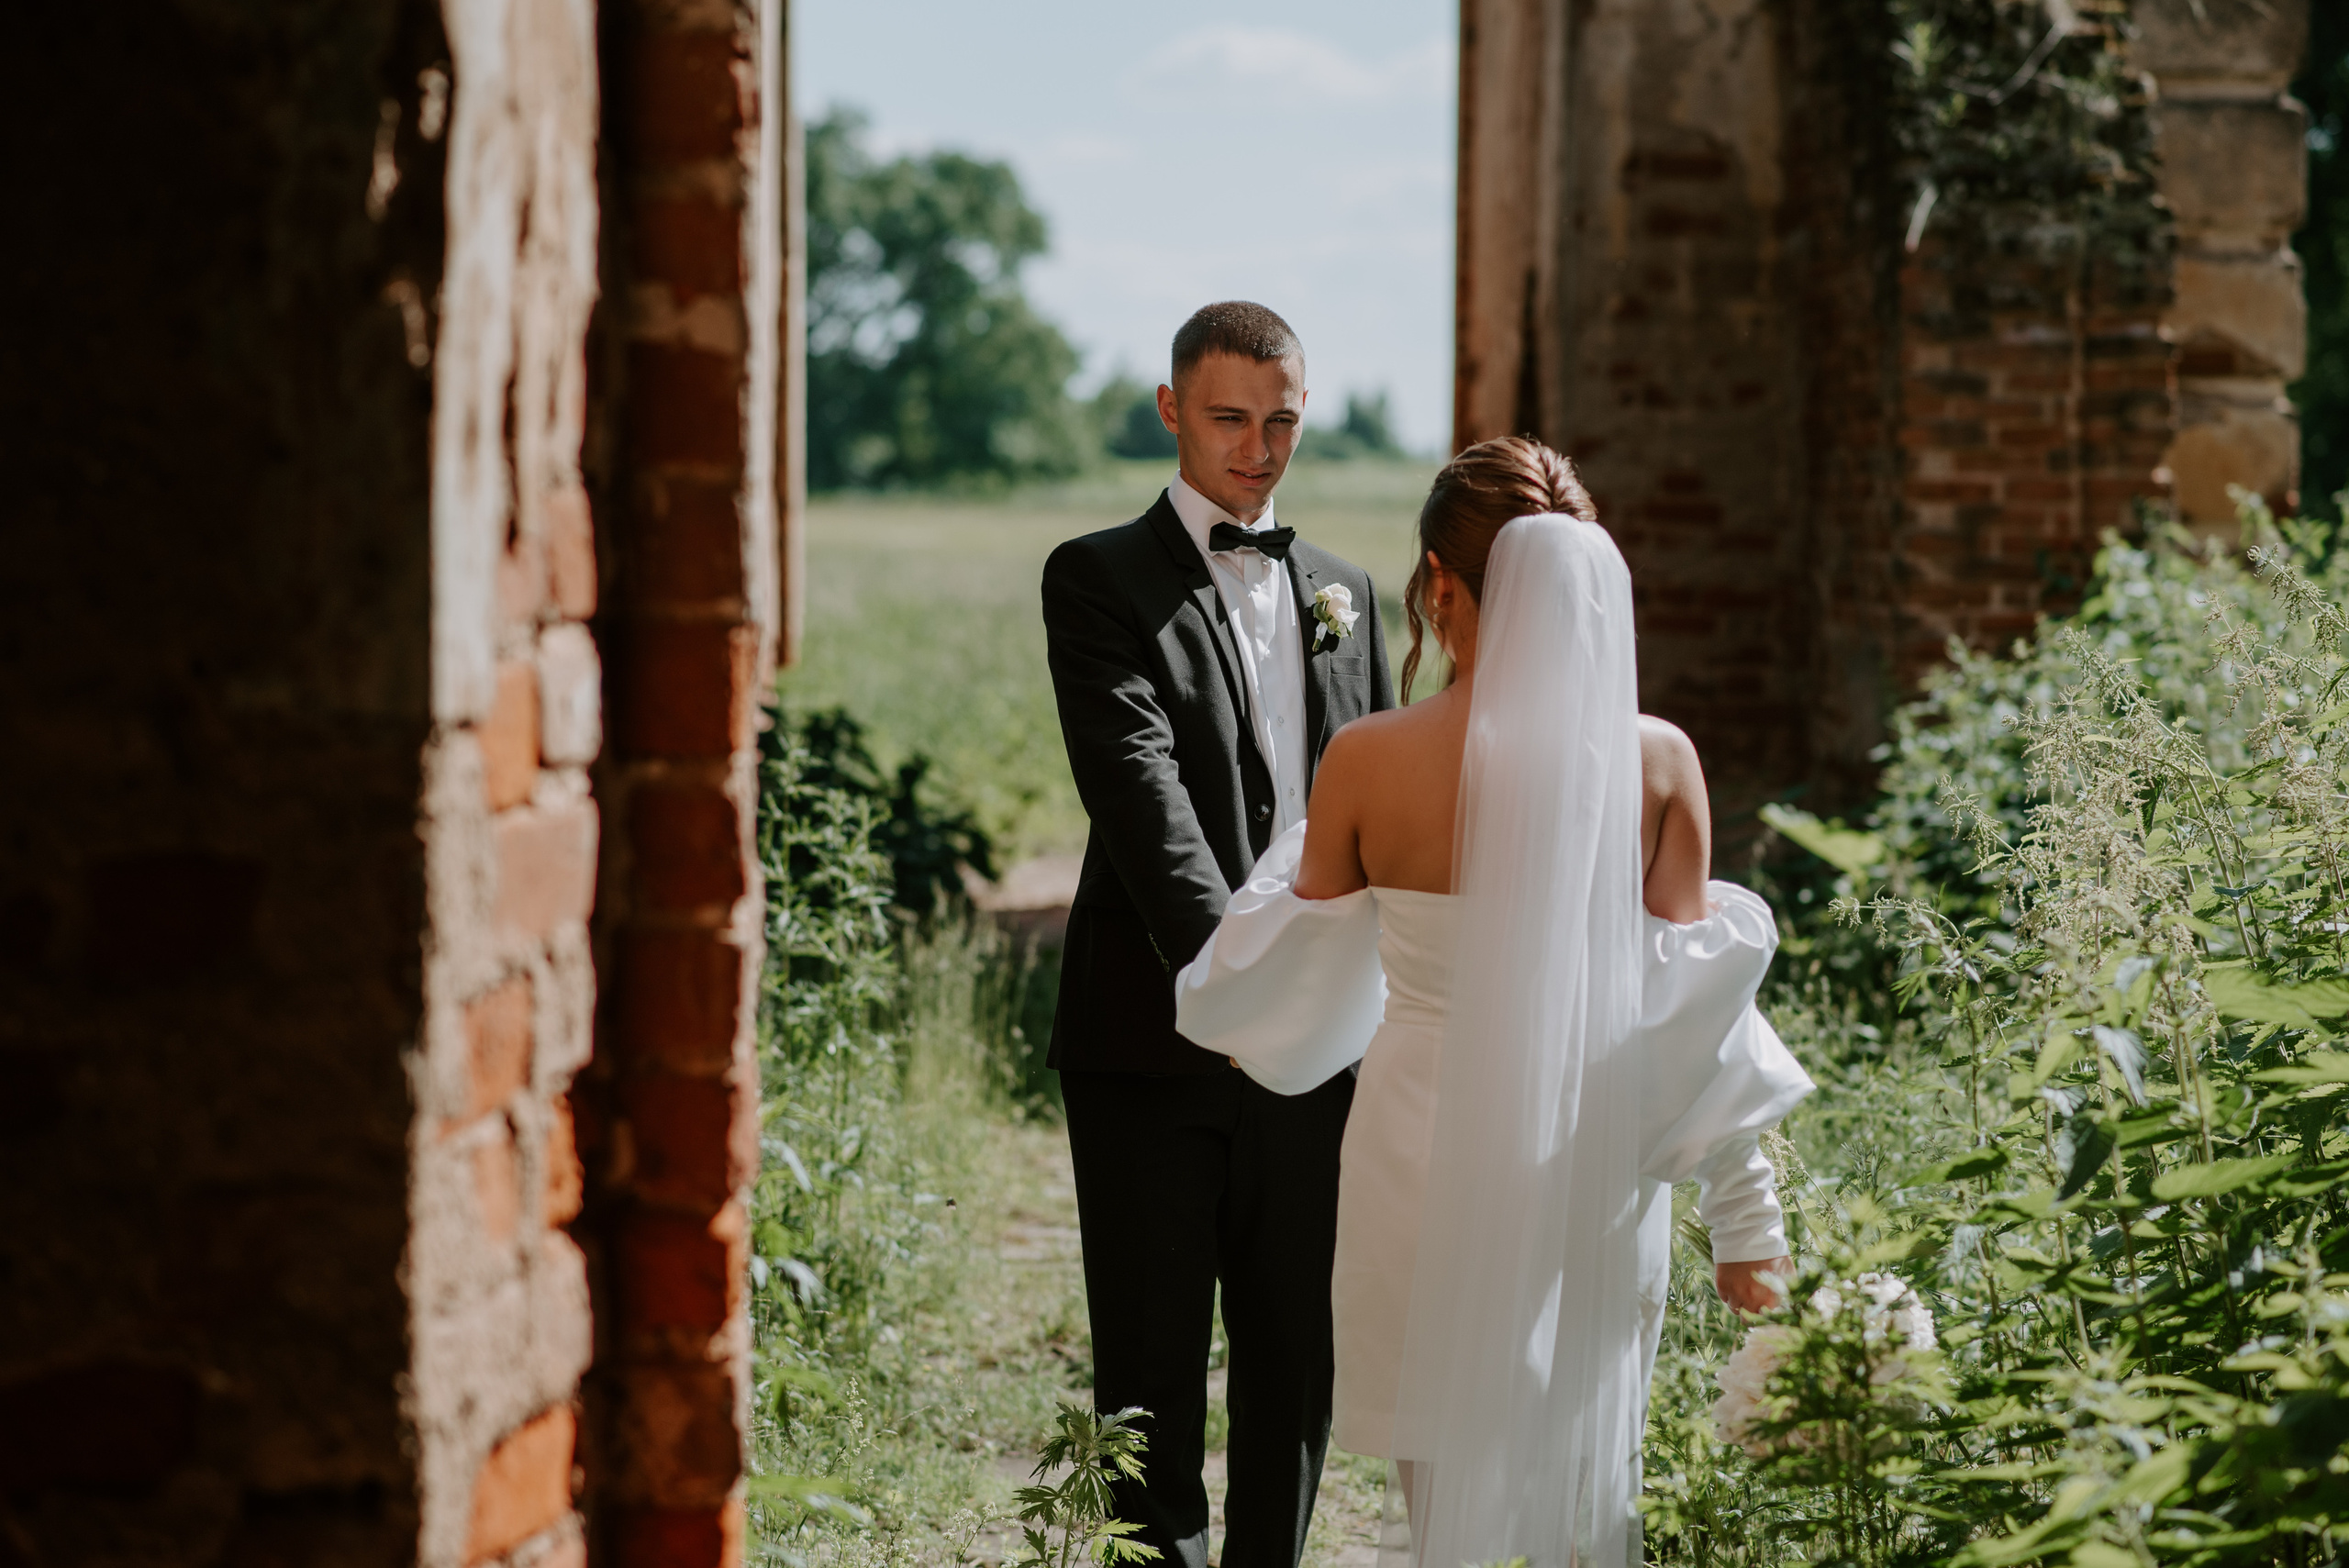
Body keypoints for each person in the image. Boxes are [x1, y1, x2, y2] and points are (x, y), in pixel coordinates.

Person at [1173, 438, 1814, 1565]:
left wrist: (1244, 1006)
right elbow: (1693, 1017)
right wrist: (1747, 1221)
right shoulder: (1659, 763)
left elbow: (1288, 978)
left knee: (1441, 1497)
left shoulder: (1367, 759)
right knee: (1579, 1485)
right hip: (1588, 1157)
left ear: (1439, 584)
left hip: (1417, 1149)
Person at [1040, 301, 1397, 1565]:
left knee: (1296, 1355)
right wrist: (1237, 987)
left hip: (1322, 1044)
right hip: (1153, 1026)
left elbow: (1377, 806)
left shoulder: (1349, 593)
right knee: (1149, 1367)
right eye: (1229, 418)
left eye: (1281, 420)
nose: (1257, 448)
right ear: (1171, 411)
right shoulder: (1097, 577)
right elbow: (1140, 795)